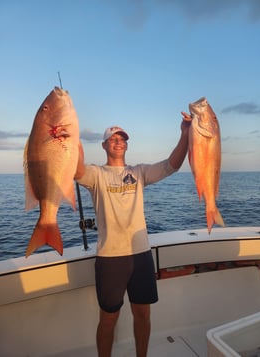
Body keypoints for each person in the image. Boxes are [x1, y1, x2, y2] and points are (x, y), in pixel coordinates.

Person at [75, 113, 191, 357]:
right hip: (110, 257)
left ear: (127, 144)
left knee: (143, 313)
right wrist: (71, 137)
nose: (119, 142)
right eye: (113, 139)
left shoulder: (139, 173)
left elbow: (173, 165)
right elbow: (75, 171)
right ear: (104, 145)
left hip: (141, 255)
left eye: (123, 139)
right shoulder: (95, 174)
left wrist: (185, 133)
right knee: (108, 318)